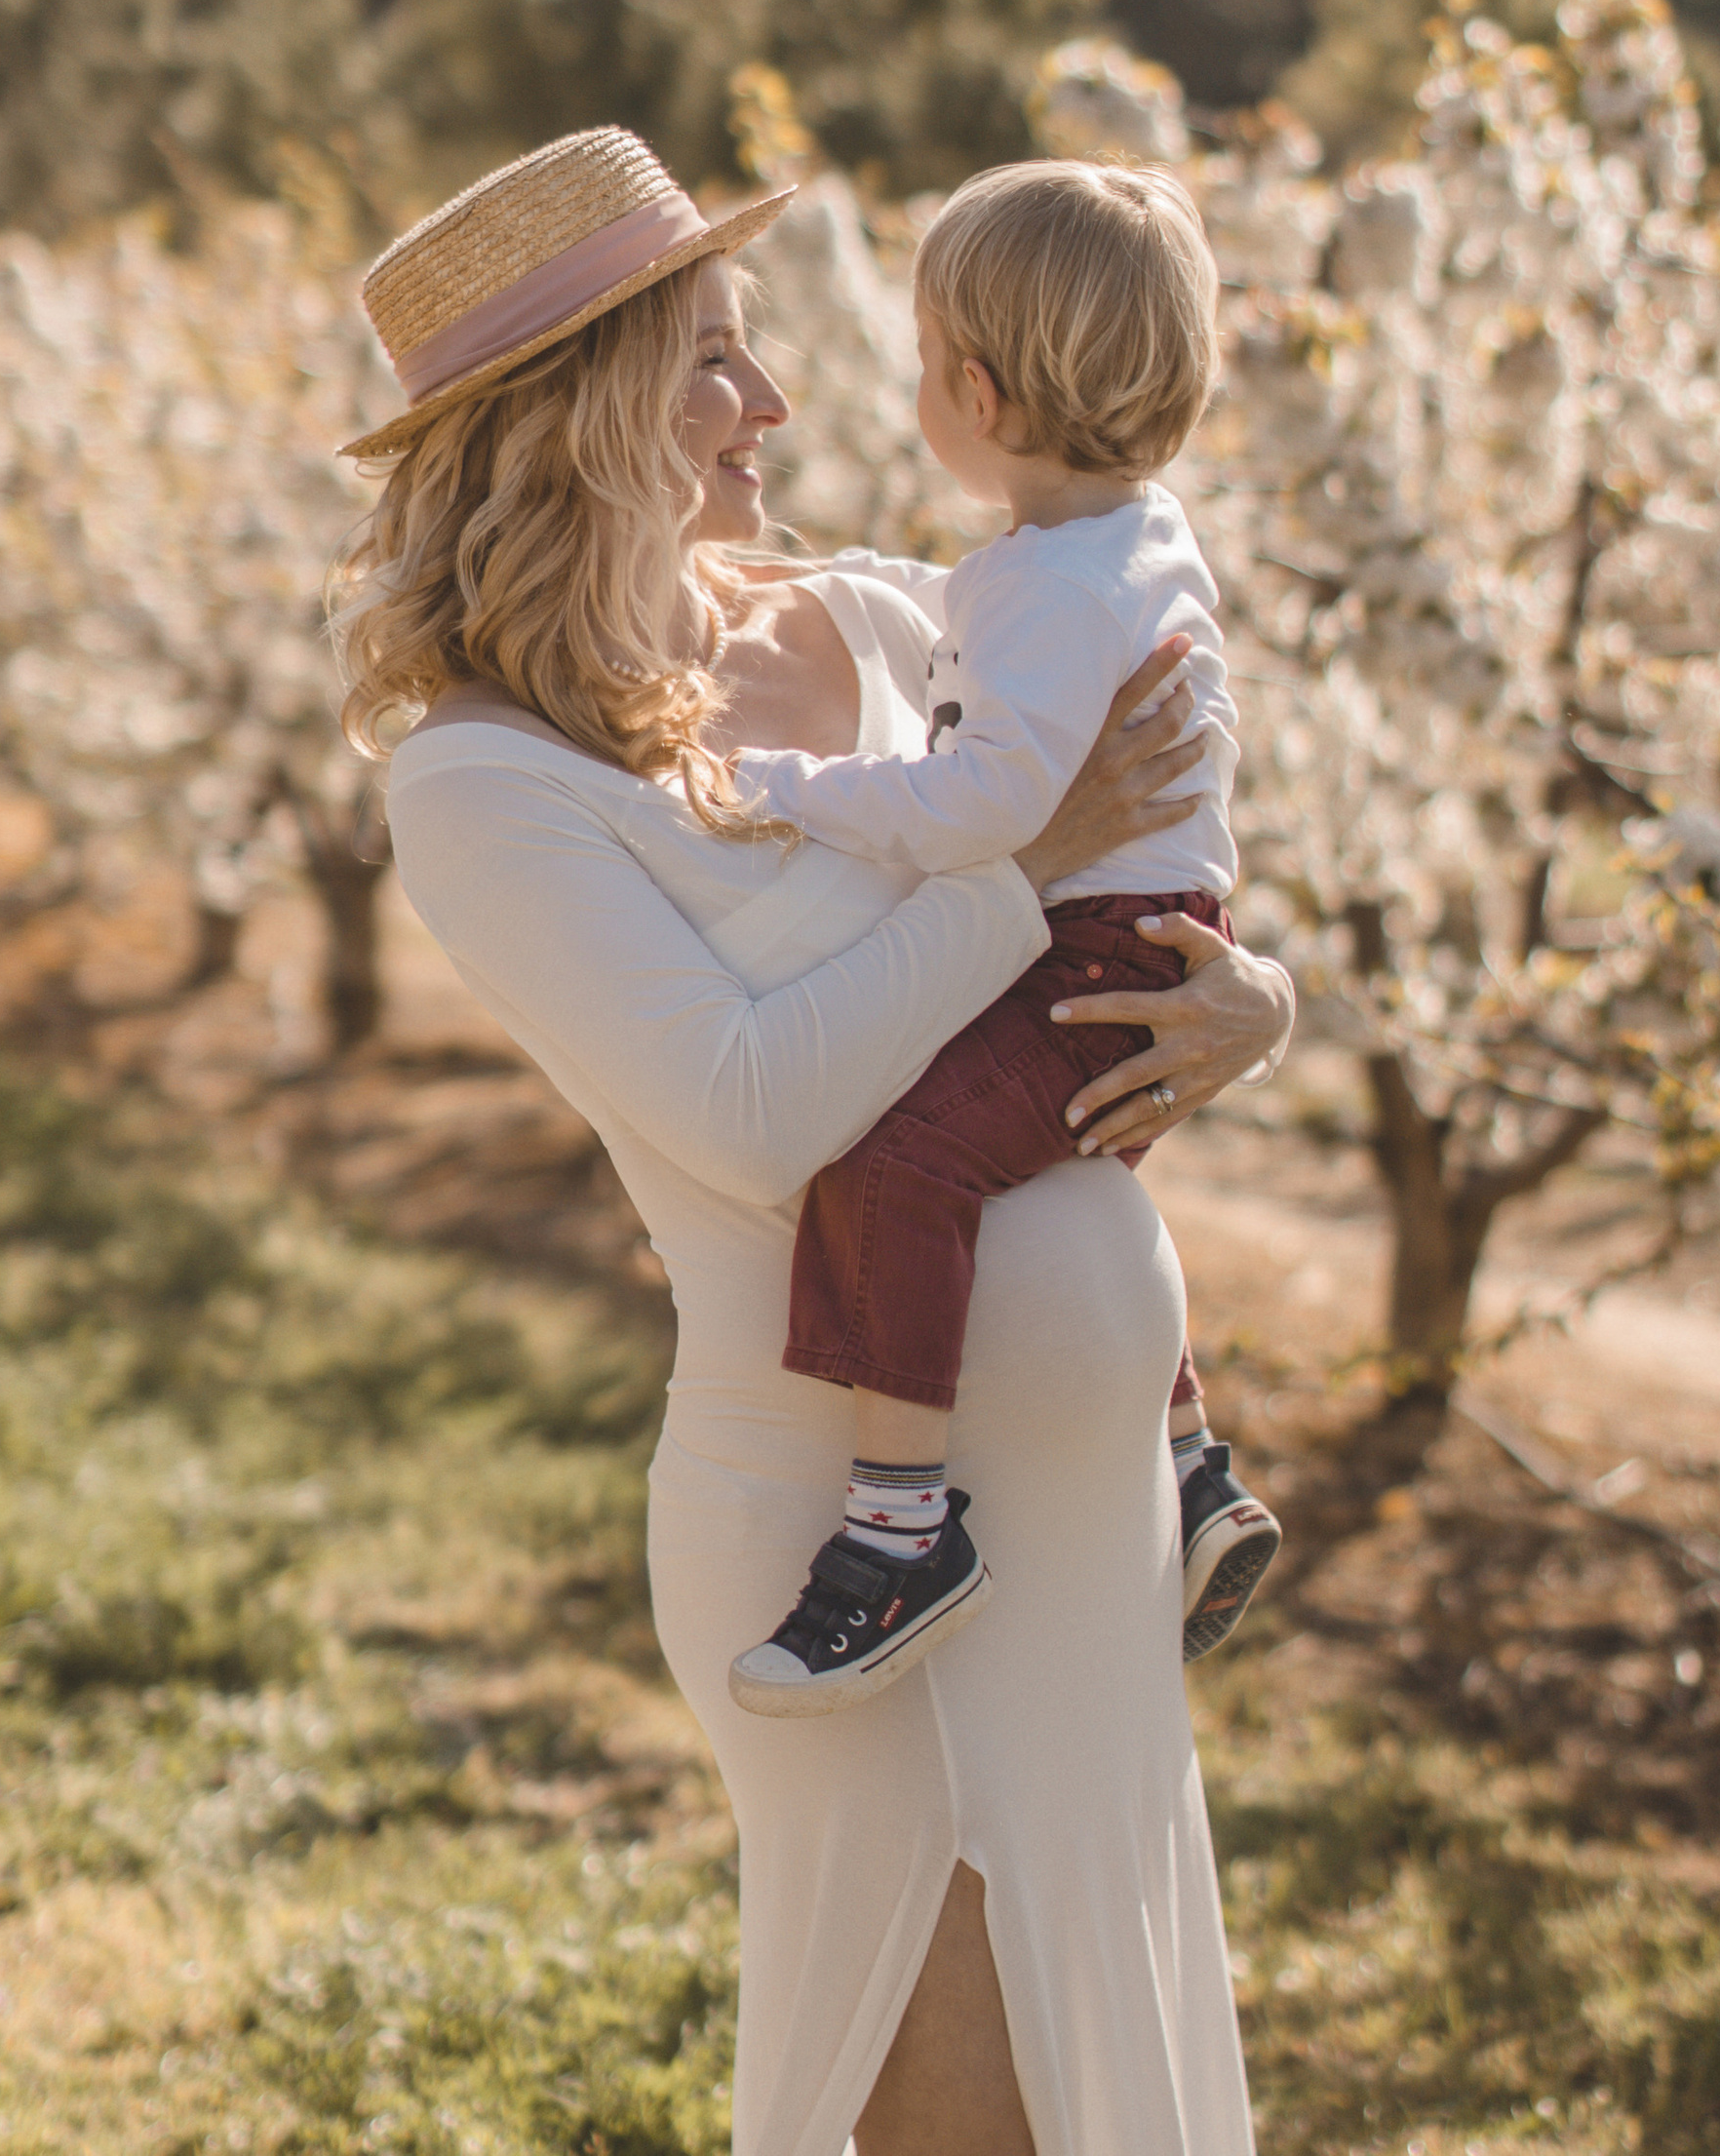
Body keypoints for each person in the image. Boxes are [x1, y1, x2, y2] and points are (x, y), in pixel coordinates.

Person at [337, 125, 1296, 2156]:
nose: (770, 401)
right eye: (708, 358)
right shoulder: (485, 782)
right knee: (959, 2121)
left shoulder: (874, 623)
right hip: (836, 1527)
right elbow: (756, 1114)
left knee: (1102, 2088)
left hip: (1082, 1520)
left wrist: (1254, 1001)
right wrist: (1013, 879)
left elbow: (1151, 834)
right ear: (572, 416)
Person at [723, 158, 1281, 1720]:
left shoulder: (1044, 588)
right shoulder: (1129, 539)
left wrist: (788, 789)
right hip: (1158, 939)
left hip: (1090, 953)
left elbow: (982, 806)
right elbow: (972, 610)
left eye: (918, 366)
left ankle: (900, 1530)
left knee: (898, 1164)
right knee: (1057, 1170)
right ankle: (1186, 1463)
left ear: (970, 386)